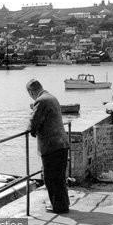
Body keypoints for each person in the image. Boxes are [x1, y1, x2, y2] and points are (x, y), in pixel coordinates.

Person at [26, 79, 70, 214]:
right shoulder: (51, 97)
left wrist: (31, 130)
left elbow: (33, 124)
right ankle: (63, 204)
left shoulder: (41, 101)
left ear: (31, 92)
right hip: (61, 143)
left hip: (51, 145)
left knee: (50, 177)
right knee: (59, 176)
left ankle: (58, 207)